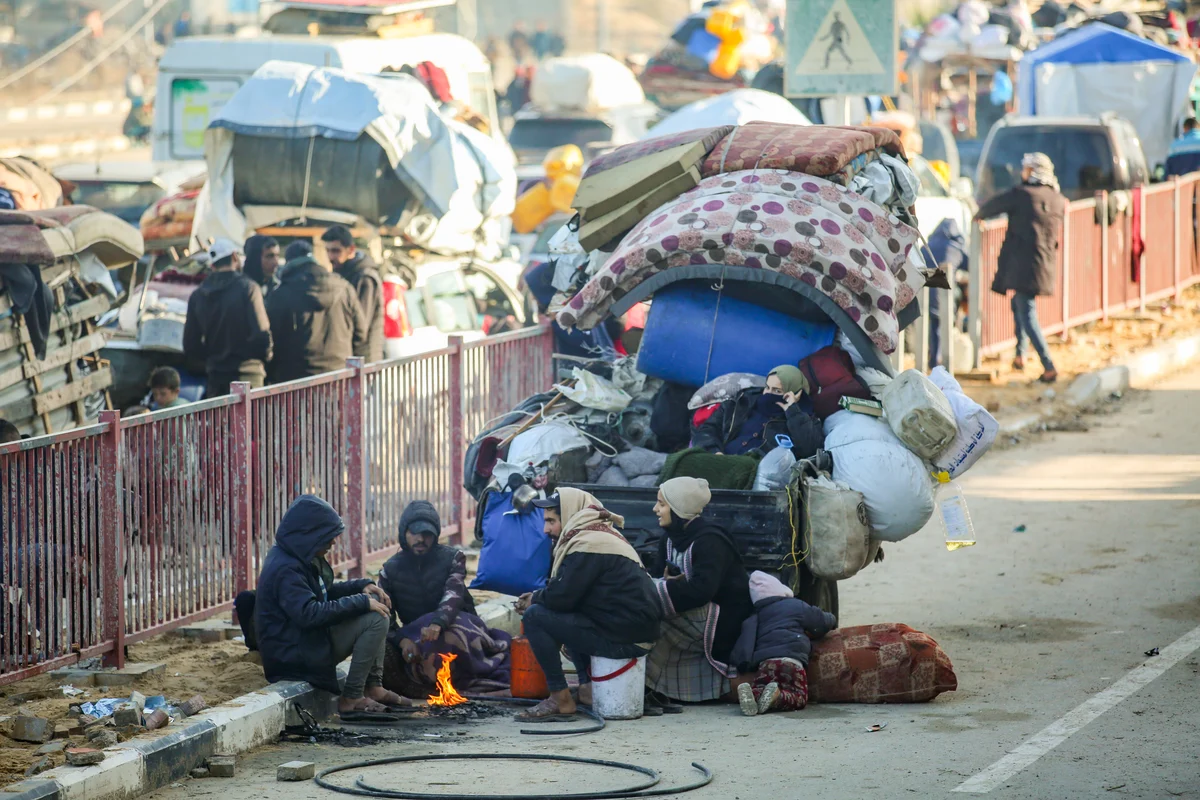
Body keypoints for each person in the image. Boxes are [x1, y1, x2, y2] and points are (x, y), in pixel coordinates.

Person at [513, 488, 660, 722]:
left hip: (627, 641)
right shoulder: (597, 537)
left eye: (551, 521)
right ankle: (587, 689)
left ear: (569, 515)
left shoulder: (588, 544)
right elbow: (568, 593)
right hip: (626, 631)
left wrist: (535, 599)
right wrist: (541, 596)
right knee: (563, 613)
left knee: (535, 616)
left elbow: (561, 598)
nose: (546, 530)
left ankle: (559, 698)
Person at [254, 494, 409, 716]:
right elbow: (309, 613)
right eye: (327, 536)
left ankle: (373, 686)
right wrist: (361, 602)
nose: (333, 542)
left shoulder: (294, 557)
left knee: (377, 609)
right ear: (310, 534)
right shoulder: (286, 568)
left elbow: (322, 592)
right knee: (375, 619)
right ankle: (352, 697)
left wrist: (361, 587)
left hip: (304, 643)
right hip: (292, 657)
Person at [377, 501, 511, 699]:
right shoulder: (389, 570)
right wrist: (402, 640)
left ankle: (463, 675)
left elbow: (453, 595)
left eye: (427, 534)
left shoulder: (453, 558)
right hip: (418, 635)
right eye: (414, 533)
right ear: (404, 533)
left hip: (458, 626)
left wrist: (437, 623)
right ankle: (427, 684)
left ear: (436, 535)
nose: (420, 539)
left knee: (451, 633)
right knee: (383, 648)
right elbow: (384, 614)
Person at [645, 477, 753, 706]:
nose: (655, 509)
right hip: (694, 611)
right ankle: (652, 687)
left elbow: (702, 591)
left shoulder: (711, 541)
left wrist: (667, 586)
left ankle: (650, 686)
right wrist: (666, 584)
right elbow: (658, 577)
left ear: (678, 509)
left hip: (721, 622)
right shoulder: (669, 539)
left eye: (661, 504)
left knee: (646, 620)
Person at [975, 152, 1066, 383]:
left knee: (1027, 312)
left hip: (1023, 265)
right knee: (1019, 304)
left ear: (1034, 171)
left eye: (1026, 169)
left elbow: (994, 205)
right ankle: (1020, 355)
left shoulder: (1022, 195)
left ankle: (1048, 365)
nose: (1022, 172)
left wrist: (978, 215)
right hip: (1043, 264)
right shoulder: (1056, 198)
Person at [728, 571, 837, 716]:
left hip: (766, 663)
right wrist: (832, 620)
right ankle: (777, 697)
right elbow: (820, 621)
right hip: (791, 661)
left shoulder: (755, 617)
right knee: (798, 696)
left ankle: (753, 694)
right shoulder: (795, 605)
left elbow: (744, 646)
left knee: (761, 685)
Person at [265, 239, 368, 384]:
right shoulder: (344, 288)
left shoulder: (280, 295)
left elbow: (270, 340)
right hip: (339, 376)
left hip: (296, 382)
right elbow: (361, 333)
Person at [182, 238, 273, 398]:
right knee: (250, 415)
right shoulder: (249, 288)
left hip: (216, 379)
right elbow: (261, 334)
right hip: (248, 377)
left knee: (221, 416)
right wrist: (264, 357)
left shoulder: (198, 295)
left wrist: (212, 363)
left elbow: (190, 345)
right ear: (235, 257)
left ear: (212, 265)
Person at [692, 366, 824, 457]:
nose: (768, 394)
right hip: (719, 462)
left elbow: (810, 450)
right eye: (767, 387)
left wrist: (793, 411)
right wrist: (715, 452)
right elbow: (706, 431)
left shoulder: (806, 420)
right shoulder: (740, 403)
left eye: (777, 391)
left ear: (795, 394)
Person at [322, 226, 383, 363]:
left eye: (336, 251)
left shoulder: (364, 278)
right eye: (328, 250)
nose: (331, 257)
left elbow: (362, 325)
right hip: (352, 356)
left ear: (350, 249)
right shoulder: (342, 274)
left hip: (364, 358)